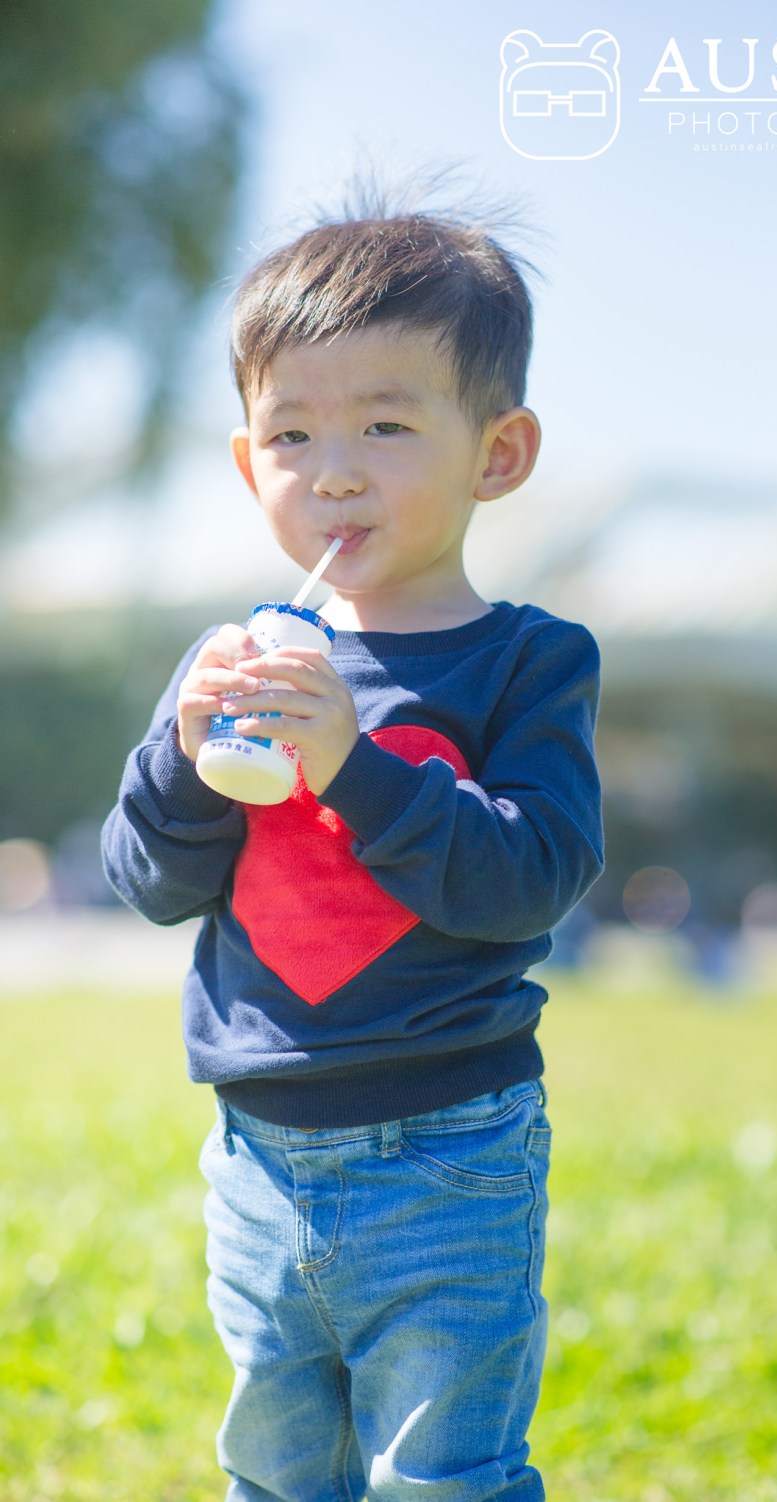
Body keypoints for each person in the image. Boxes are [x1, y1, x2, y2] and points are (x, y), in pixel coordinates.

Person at [102, 193, 603, 1502]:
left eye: (386, 425)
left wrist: (353, 768)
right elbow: (150, 880)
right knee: (274, 1468)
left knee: (444, 1474)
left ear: (499, 452)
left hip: (450, 1149)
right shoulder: (240, 662)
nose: (333, 470)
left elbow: (526, 880)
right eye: (293, 432)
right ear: (246, 461)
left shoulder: (527, 663)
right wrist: (183, 752)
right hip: (256, 1153)